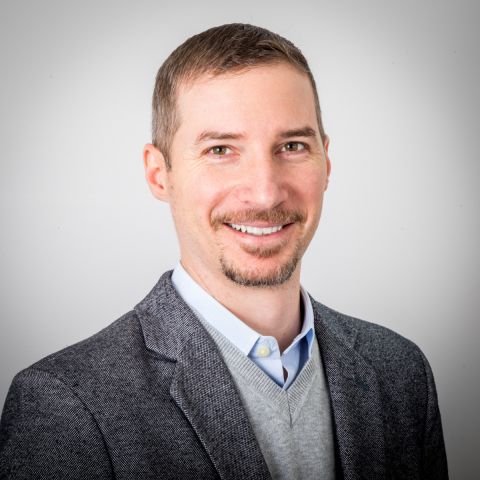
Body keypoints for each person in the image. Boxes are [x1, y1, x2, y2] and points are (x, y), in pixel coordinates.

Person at [0, 23, 448, 479]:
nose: (265, 194)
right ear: (160, 175)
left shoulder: (399, 372)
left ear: (326, 162)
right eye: (220, 150)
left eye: (292, 146)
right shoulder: (67, 406)